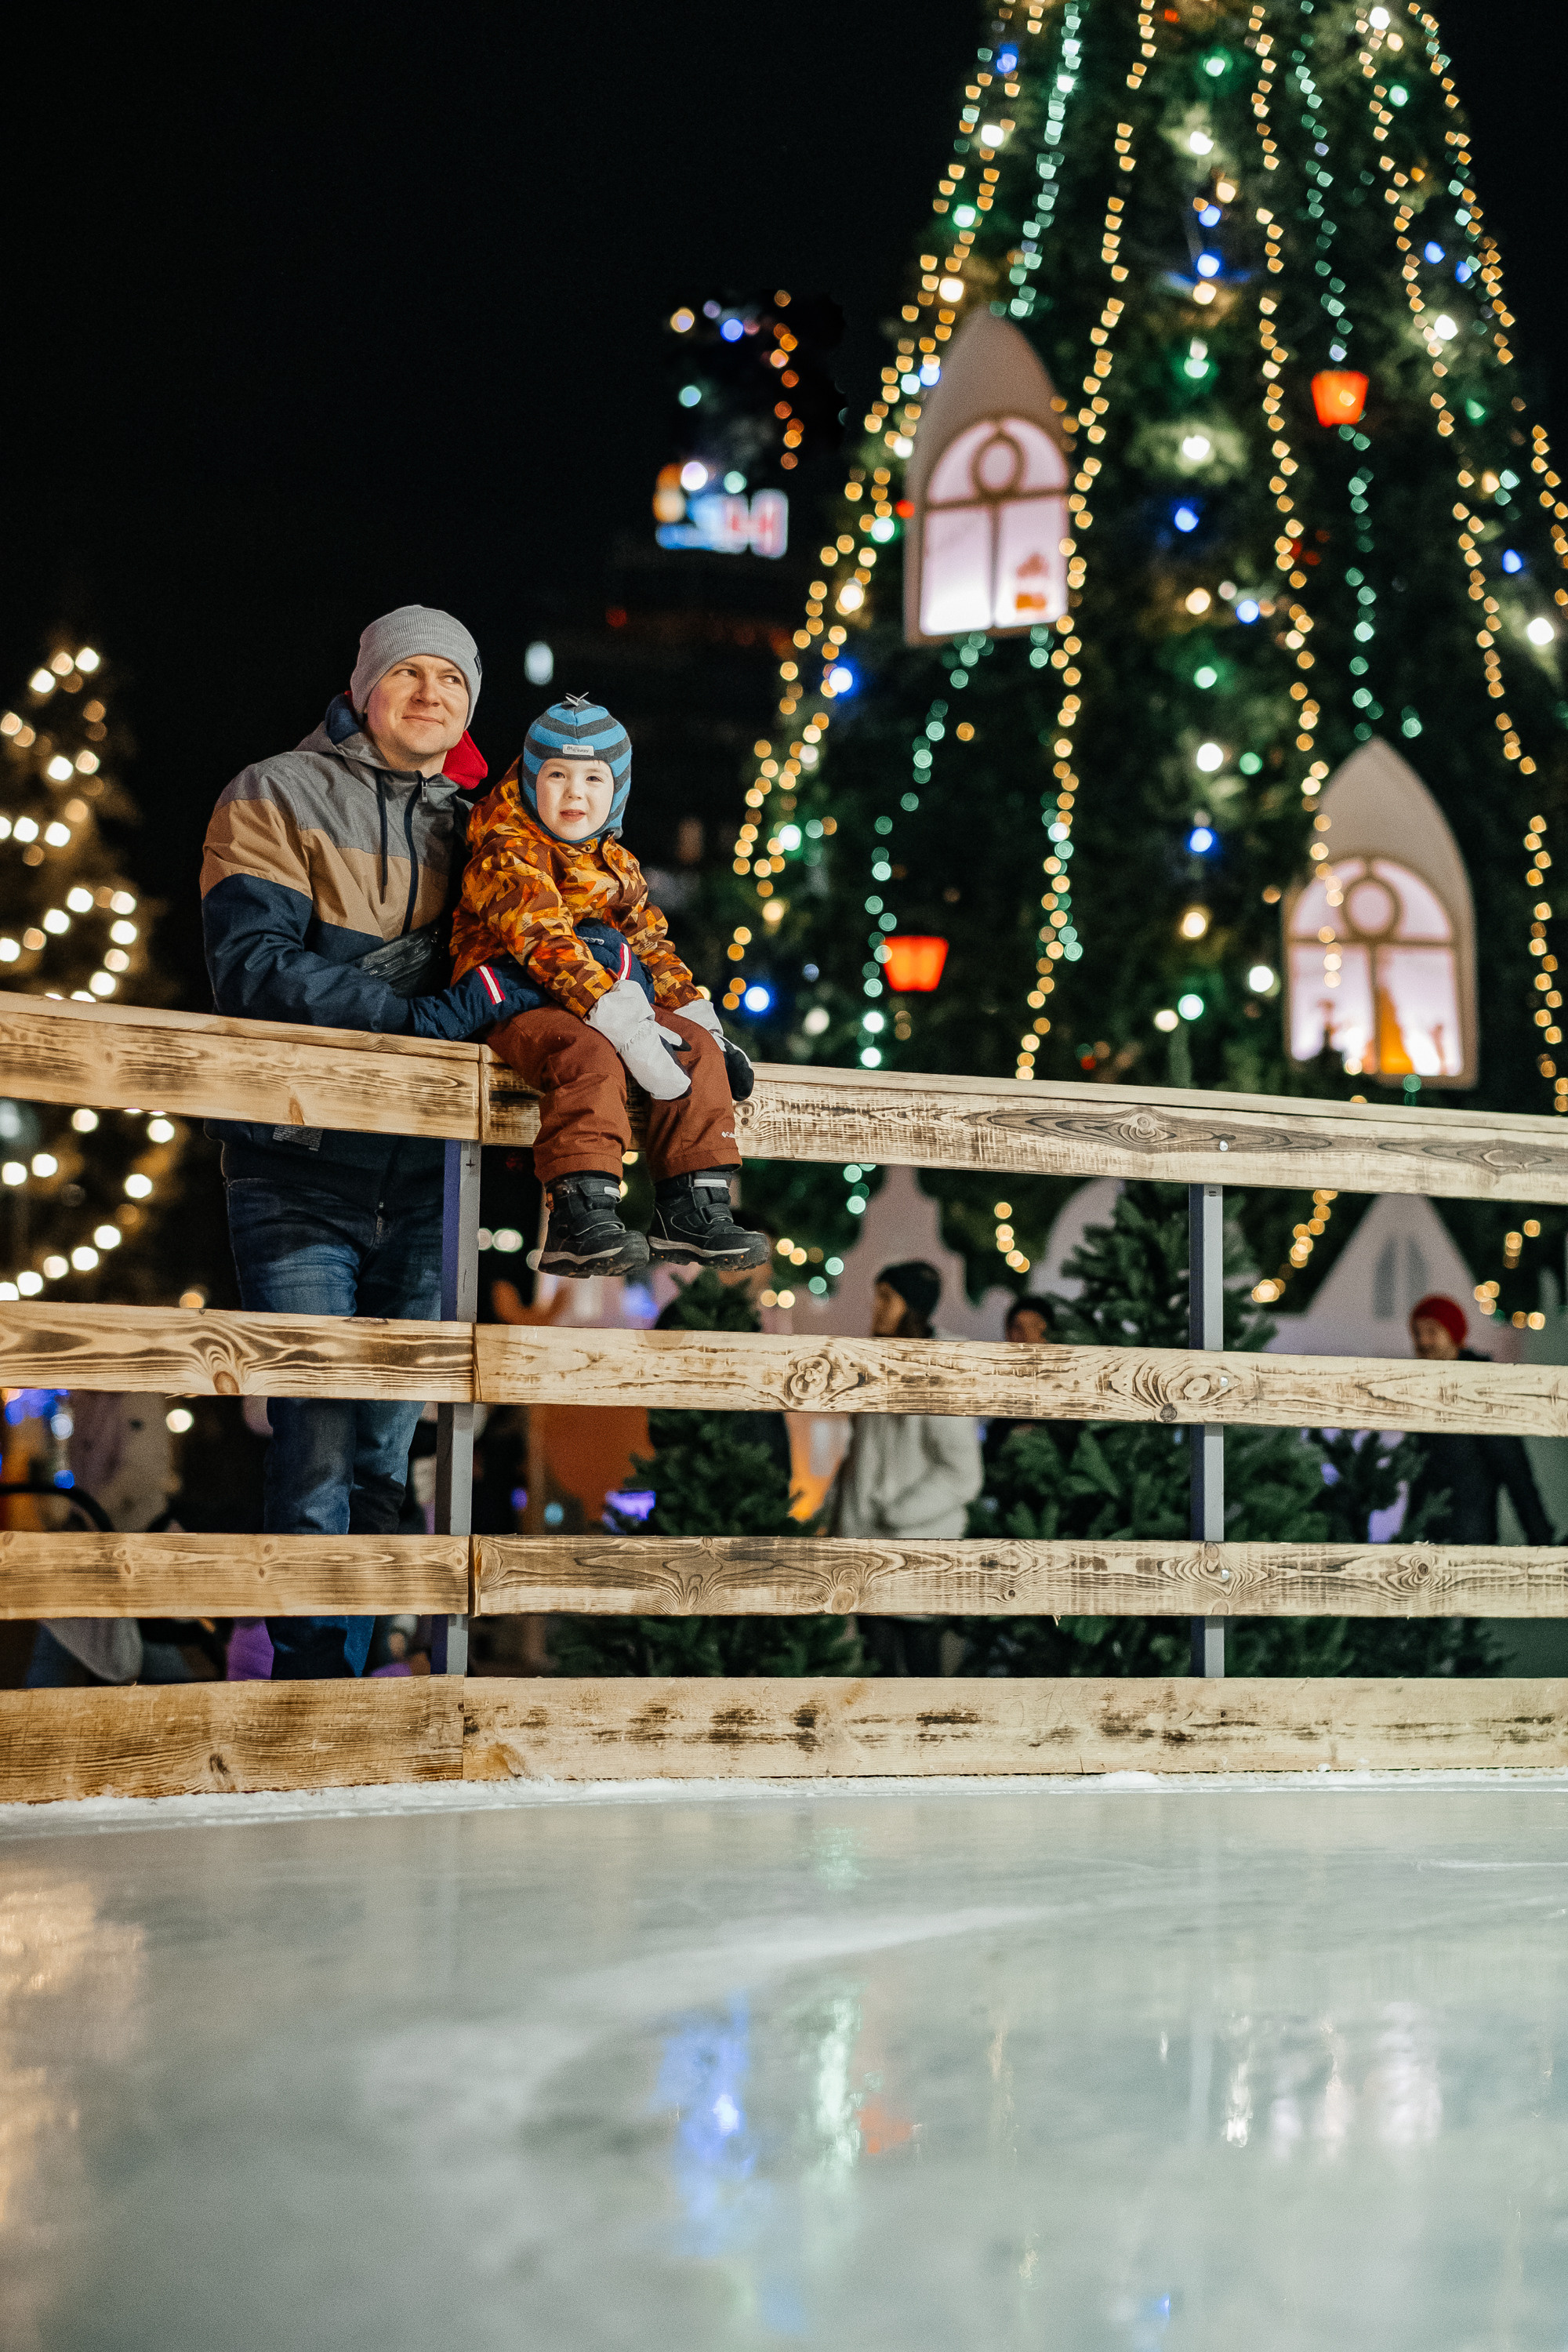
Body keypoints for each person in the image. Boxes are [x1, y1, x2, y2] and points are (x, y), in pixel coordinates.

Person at [201, 605, 539, 1680]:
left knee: (391, 1450)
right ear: (367, 684)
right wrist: (419, 1012)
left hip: (431, 1171)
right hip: (299, 1164)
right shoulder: (275, 792)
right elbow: (253, 964)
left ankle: (369, 1675)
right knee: (316, 1444)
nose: (432, 692)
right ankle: (312, 1685)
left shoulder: (482, 827)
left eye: (453, 678)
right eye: (411, 672)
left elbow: (531, 954)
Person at [450, 693, 767, 1280]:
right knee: (588, 1053)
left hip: (606, 997)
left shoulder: (615, 862)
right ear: (528, 781)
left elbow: (651, 947)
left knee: (691, 1050)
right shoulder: (507, 846)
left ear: (615, 790)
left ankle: (691, 1206)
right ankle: (580, 1212)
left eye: (594, 778)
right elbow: (541, 936)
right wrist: (618, 1017)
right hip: (519, 996)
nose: (576, 794)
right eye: (558, 776)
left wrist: (698, 1017)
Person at [833, 1260, 984, 1677]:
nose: (875, 1308)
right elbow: (858, 1454)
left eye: (887, 1299)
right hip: (866, 1548)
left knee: (922, 1679)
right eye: (876, 1297)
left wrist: (896, 1512)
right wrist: (836, 1516)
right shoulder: (876, 1366)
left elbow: (962, 1474)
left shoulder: (940, 1374)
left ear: (912, 1306)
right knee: (875, 1677)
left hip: (916, 1550)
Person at [1406, 1292, 1554, 1544]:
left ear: (1454, 1333)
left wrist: (1542, 1541)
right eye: (1417, 1333)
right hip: (1421, 1548)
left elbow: (1515, 1472)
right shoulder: (1422, 1391)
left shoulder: (1481, 1389)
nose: (1423, 1341)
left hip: (1469, 1546)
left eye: (1431, 1331)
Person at [982, 1292, 1079, 1477]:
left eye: (1036, 1327)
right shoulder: (1006, 1386)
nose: (1026, 1336)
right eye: (1017, 1328)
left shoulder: (1068, 1381)